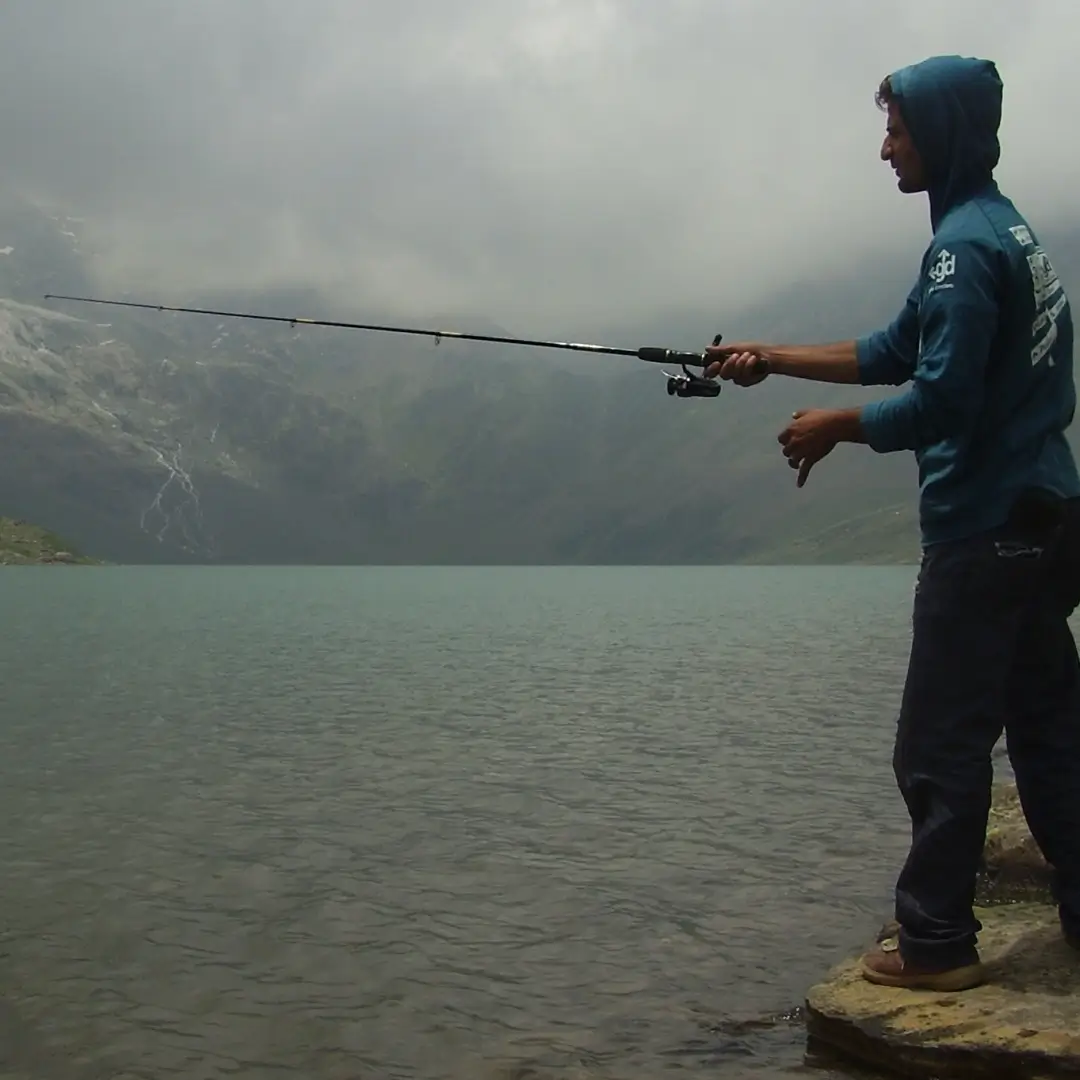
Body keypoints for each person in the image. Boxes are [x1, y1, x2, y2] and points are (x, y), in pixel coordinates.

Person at [704, 54, 1080, 992]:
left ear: (940, 134)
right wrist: (773, 358)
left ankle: (936, 947)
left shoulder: (958, 252)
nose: (884, 149)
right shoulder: (1004, 232)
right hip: (1049, 521)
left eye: (897, 132)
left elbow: (943, 399)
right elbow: (895, 349)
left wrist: (838, 428)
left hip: (982, 535)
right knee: (1049, 729)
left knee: (938, 747)